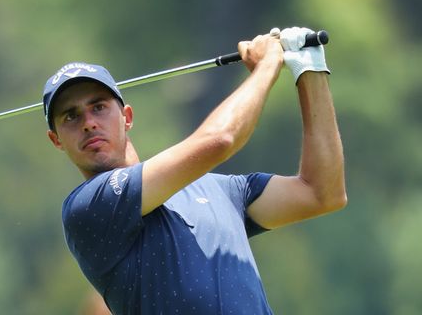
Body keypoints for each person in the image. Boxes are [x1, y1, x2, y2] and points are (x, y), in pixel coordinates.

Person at [43, 27, 346, 314]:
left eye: (98, 107)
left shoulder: (223, 190)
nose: (88, 122)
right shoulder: (88, 207)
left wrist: (309, 70)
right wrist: (268, 65)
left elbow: (322, 193)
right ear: (56, 140)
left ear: (127, 117)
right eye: (71, 116)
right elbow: (220, 140)